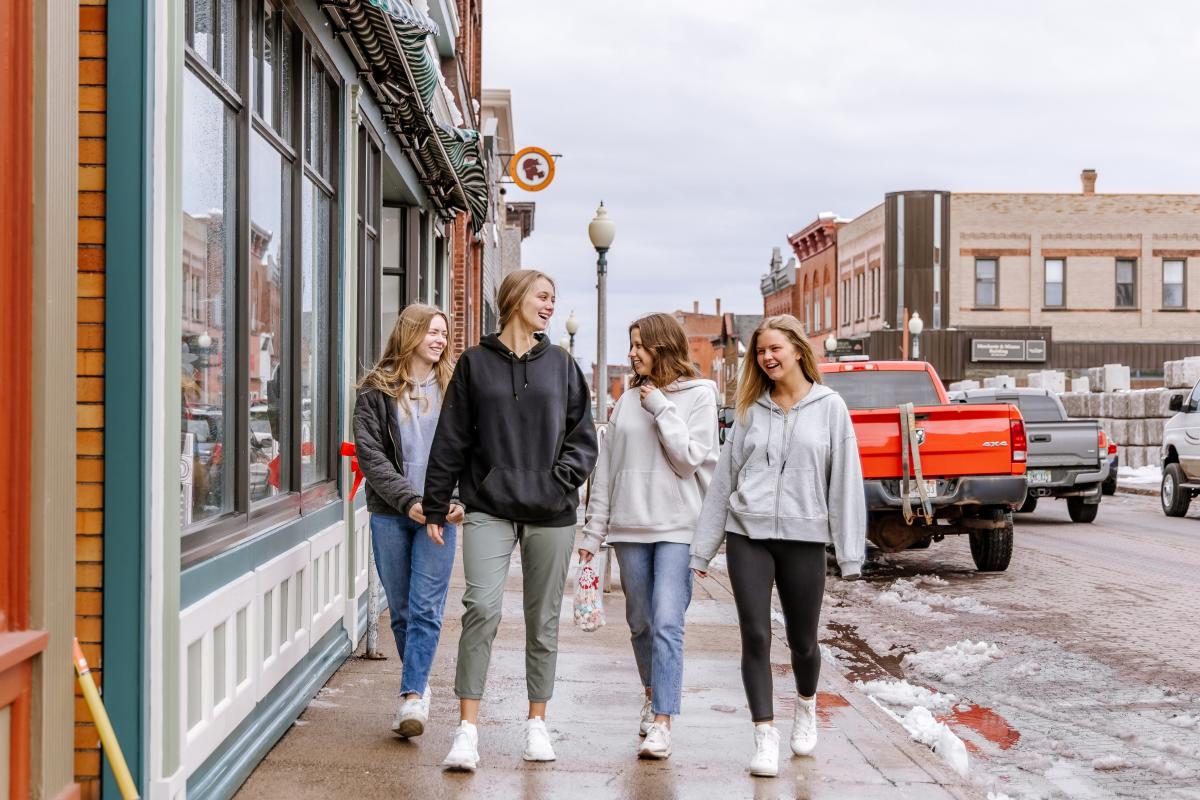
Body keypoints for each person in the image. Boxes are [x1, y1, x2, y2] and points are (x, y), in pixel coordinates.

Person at [422, 269, 598, 771]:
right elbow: (452, 438)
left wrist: (557, 481)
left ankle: (536, 724)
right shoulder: (475, 364)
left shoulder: (562, 365)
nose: (549, 305)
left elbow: (584, 438)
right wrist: (436, 502)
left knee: (542, 621)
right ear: (516, 299)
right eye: (543, 296)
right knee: (481, 608)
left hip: (552, 513)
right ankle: (467, 731)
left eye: (554, 299)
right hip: (489, 506)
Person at [690, 314, 866, 778]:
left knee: (803, 642)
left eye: (774, 349)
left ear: (797, 350)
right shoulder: (749, 410)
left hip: (804, 538)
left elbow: (845, 483)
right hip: (747, 534)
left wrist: (849, 555)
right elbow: (724, 481)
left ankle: (805, 707)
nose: (766, 358)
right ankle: (764, 736)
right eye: (760, 351)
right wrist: (702, 551)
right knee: (754, 634)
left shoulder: (831, 408)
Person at [579, 312, 718, 760]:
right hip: (628, 528)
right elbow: (607, 470)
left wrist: (659, 406)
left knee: (667, 621)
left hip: (679, 528)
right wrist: (592, 532)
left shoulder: (700, 395)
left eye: (640, 344)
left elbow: (687, 460)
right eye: (630, 343)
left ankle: (663, 720)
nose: (632, 352)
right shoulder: (623, 402)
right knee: (640, 621)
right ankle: (650, 692)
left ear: (663, 347)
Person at [352, 304, 465, 739]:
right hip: (391, 515)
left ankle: (412, 695)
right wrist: (408, 502)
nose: (440, 339)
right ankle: (417, 685)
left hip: (441, 514)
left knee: (425, 609)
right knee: (399, 612)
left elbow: (470, 451)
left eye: (444, 333)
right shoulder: (375, 390)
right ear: (410, 333)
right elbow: (372, 458)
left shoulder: (455, 388)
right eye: (432, 331)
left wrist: (456, 502)